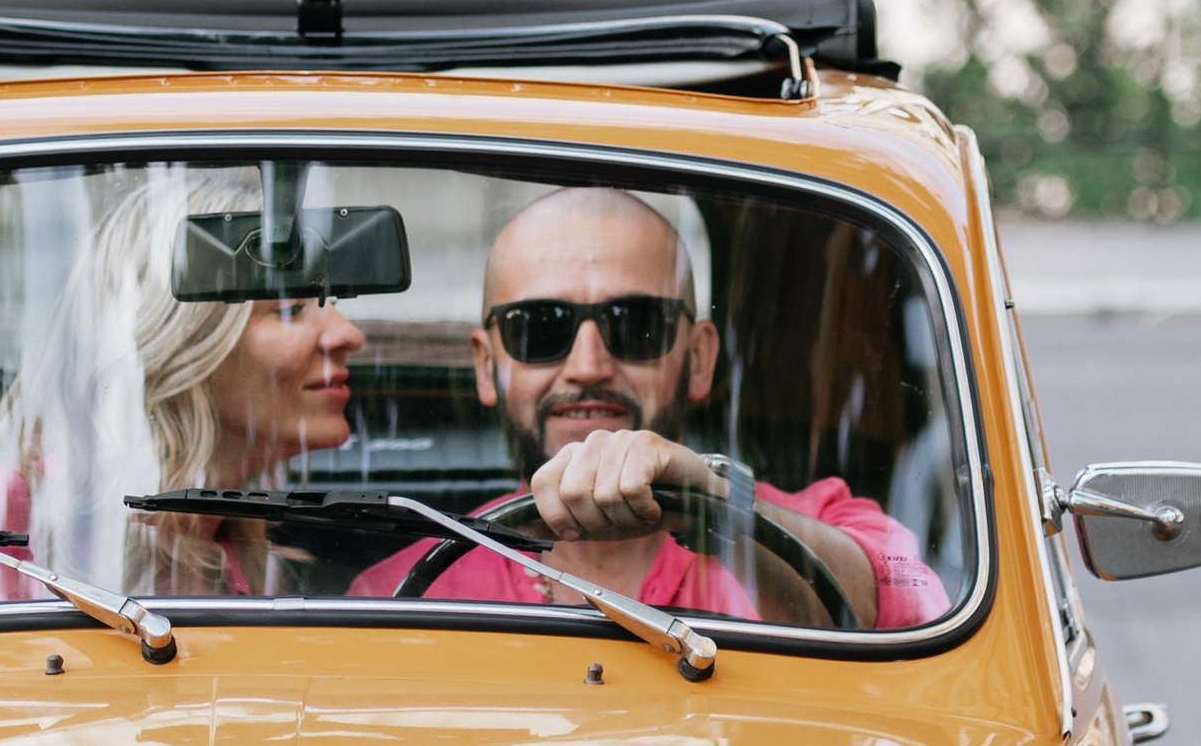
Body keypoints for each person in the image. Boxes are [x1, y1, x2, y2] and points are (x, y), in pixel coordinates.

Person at [351, 183, 947, 632]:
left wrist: (718, 510)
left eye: (635, 325)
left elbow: (913, 602)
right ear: (487, 365)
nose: (588, 365)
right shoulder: (403, 591)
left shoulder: (825, 521)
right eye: (539, 329)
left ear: (698, 358)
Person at [0, 172, 366, 615]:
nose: (348, 334)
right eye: (290, 310)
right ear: (179, 342)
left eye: (331, 302)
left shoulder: (235, 559)